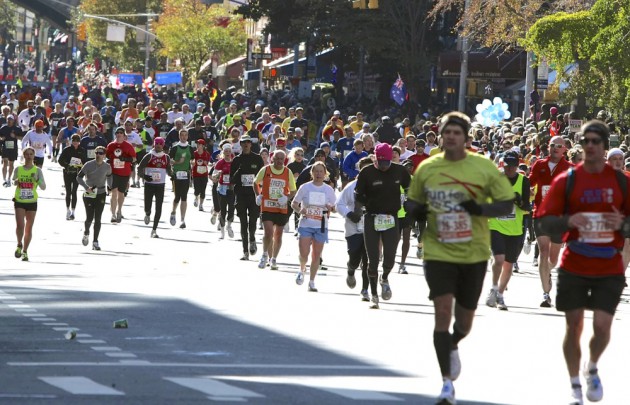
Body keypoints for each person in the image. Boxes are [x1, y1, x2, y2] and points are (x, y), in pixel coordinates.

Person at [406, 112, 514, 405]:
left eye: (457, 132)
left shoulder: (483, 167)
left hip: (474, 252)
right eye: (447, 132)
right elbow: (413, 201)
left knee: (464, 321)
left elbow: (506, 204)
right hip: (438, 250)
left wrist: (477, 209)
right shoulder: (427, 168)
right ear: (440, 136)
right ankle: (446, 384)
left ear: (466, 138)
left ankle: (453, 343)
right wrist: (417, 211)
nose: (451, 137)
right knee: (442, 311)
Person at [536, 120, 629, 405]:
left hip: (608, 265)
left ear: (604, 146)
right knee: (573, 326)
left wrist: (622, 224)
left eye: (595, 141)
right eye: (586, 141)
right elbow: (543, 219)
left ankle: (592, 367)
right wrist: (568, 220)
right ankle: (575, 385)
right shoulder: (568, 180)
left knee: (601, 328)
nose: (590, 146)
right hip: (574, 261)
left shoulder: (623, 182)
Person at [354, 143, 412, 309]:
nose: (385, 167)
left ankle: (385, 277)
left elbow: (410, 188)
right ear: (375, 159)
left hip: (391, 218)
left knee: (390, 257)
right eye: (381, 163)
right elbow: (358, 195)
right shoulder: (367, 172)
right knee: (372, 259)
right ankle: (374, 295)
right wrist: (360, 208)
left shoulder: (399, 171)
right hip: (372, 217)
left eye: (387, 163)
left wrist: (409, 202)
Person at [530, 135, 573, 307]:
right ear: (548, 147)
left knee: (553, 259)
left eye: (559, 146)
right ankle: (545, 293)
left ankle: (547, 271)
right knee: (543, 251)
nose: (555, 148)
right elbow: (529, 183)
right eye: (552, 145)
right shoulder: (539, 164)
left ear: (565, 150)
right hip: (540, 214)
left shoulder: (570, 168)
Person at [485, 151, 531, 311]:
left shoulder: (524, 180)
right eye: (507, 165)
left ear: (517, 166)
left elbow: (527, 206)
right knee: (498, 259)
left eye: (513, 166)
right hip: (495, 225)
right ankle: (493, 288)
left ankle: (500, 295)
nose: (510, 169)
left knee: (508, 265)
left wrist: (518, 200)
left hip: (515, 228)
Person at [291, 161, 337, 292]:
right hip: (306, 223)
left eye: (321, 171)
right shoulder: (305, 187)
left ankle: (311, 281)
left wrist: (330, 207)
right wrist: (300, 210)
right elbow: (294, 204)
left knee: (316, 255)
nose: (318, 174)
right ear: (312, 173)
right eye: (316, 171)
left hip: (321, 225)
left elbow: (335, 208)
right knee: (304, 253)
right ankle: (302, 268)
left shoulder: (328, 189)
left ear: (325, 174)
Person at [336, 156, 373, 301]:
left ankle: (365, 290)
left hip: (371, 228)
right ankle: (351, 269)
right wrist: (349, 214)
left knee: (368, 260)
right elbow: (339, 204)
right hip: (353, 228)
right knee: (355, 257)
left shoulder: (377, 186)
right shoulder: (351, 186)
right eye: (364, 168)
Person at [254, 149, 297, 270]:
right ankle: (264, 255)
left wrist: (287, 197)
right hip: (267, 206)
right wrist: (258, 195)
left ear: (285, 160)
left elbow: (293, 190)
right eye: (277, 159)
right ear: (273, 159)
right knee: (268, 233)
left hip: (280, 207)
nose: (279, 161)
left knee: (278, 235)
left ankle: (274, 259)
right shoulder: (266, 169)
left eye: (281, 159)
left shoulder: (288, 172)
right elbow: (255, 182)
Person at [230, 134, 265, 260]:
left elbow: (263, 177)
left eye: (248, 143)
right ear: (240, 144)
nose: (246, 145)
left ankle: (253, 238)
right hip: (240, 195)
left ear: (251, 144)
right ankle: (245, 251)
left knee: (253, 222)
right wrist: (239, 172)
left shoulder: (257, 159)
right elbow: (231, 180)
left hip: (254, 195)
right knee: (243, 223)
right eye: (244, 143)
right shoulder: (236, 160)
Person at [12, 147, 46, 261]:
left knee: (28, 228)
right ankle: (19, 244)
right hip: (19, 200)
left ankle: (25, 251)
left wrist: (37, 180)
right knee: (20, 226)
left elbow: (43, 187)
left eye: (31, 154)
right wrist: (15, 182)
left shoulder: (37, 170)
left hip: (32, 201)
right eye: (27, 154)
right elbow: (13, 180)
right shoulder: (18, 169)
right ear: (24, 155)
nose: (29, 156)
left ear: (34, 156)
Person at [77, 146, 112, 250]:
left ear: (104, 155)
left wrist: (109, 187)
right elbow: (79, 177)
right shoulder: (88, 165)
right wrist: (86, 187)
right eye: (96, 153)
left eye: (100, 153)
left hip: (101, 193)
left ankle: (95, 241)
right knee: (89, 217)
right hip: (89, 193)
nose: (98, 155)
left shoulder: (107, 166)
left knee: (98, 219)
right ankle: (86, 232)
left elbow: (110, 176)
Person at [137, 137, 173, 238]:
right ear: (154, 144)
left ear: (163, 145)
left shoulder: (166, 157)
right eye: (156, 143)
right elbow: (139, 168)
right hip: (149, 185)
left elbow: (169, 170)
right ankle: (147, 213)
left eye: (160, 144)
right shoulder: (149, 156)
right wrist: (144, 176)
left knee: (159, 207)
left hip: (160, 186)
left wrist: (173, 175)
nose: (158, 145)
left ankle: (154, 229)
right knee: (147, 206)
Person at [105, 126, 137, 223]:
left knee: (121, 193)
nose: (119, 135)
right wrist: (108, 160)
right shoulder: (111, 145)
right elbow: (107, 155)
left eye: (121, 133)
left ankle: (119, 210)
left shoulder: (128, 146)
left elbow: (134, 159)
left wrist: (126, 159)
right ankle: (113, 214)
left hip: (124, 173)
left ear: (124, 135)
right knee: (113, 193)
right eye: (117, 133)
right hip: (113, 172)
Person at [168, 128, 194, 229]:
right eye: (182, 135)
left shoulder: (190, 148)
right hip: (176, 175)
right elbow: (169, 161)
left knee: (184, 197)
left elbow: (193, 159)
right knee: (177, 197)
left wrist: (193, 162)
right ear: (179, 136)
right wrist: (178, 162)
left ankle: (182, 219)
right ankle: (173, 212)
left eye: (185, 135)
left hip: (186, 175)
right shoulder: (175, 148)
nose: (184, 137)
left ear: (187, 136)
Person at [58, 134, 87, 220]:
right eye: (73, 140)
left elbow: (85, 162)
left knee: (74, 191)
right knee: (68, 191)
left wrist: (81, 167)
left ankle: (73, 211)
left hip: (76, 174)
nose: (75, 142)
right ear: (71, 141)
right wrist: (67, 165)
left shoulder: (82, 150)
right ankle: (67, 210)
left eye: (77, 141)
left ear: (79, 142)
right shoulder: (67, 150)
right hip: (67, 173)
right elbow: (60, 160)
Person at [213, 143, 236, 239]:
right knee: (223, 210)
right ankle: (222, 231)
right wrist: (218, 174)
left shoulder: (234, 162)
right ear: (223, 152)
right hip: (222, 188)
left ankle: (229, 225)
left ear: (231, 152)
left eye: (229, 151)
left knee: (231, 208)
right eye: (226, 151)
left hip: (231, 188)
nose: (227, 153)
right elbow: (214, 176)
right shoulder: (220, 162)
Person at [1, 115, 22, 187]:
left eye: (10, 119)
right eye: (8, 119)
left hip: (13, 148)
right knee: (5, 162)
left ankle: (9, 178)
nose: (9, 121)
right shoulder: (3, 128)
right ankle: (4, 179)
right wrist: (1, 138)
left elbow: (22, 138)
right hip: (5, 147)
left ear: (13, 120)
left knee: (11, 164)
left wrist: (15, 136)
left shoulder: (17, 129)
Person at [191, 138, 210, 211]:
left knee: (203, 191)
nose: (198, 145)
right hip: (196, 174)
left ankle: (201, 204)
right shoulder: (194, 153)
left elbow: (207, 163)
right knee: (197, 189)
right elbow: (192, 161)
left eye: (199, 144)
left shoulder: (206, 154)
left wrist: (206, 162)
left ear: (203, 146)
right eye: (197, 144)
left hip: (204, 174)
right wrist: (192, 162)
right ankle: (196, 197)